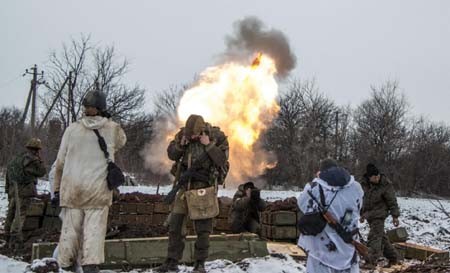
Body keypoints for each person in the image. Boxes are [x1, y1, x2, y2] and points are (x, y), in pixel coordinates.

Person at [51, 90, 126, 273]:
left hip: (72, 189)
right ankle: (90, 266)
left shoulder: (72, 129)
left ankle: (66, 265)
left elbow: (59, 163)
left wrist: (56, 190)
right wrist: (108, 120)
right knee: (94, 232)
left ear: (85, 107)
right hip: (97, 191)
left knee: (70, 231)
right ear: (102, 107)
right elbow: (122, 141)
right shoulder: (112, 128)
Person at [155, 114, 229, 273]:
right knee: (175, 225)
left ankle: (200, 263)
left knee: (203, 229)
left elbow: (222, 161)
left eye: (194, 135)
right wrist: (180, 146)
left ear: (202, 130)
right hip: (184, 187)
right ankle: (172, 261)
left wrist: (208, 146)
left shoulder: (217, 136)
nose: (192, 137)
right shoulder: (183, 135)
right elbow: (172, 154)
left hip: (204, 188)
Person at [297, 159, 364, 273]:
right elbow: (358, 207)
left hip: (321, 247)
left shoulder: (314, 187)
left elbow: (302, 205)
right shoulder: (356, 186)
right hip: (348, 244)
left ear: (321, 172)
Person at [4, 138, 47, 249]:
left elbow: (8, 175)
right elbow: (42, 172)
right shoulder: (32, 160)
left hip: (13, 190)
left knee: (11, 214)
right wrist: (40, 160)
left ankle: (6, 236)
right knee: (20, 215)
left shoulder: (16, 158)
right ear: (37, 150)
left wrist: (8, 190)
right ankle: (15, 241)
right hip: (24, 192)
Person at [360, 163, 400, 268]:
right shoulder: (364, 184)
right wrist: (362, 214)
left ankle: (371, 261)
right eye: (374, 177)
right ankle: (394, 258)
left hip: (380, 214)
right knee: (381, 237)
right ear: (369, 177)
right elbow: (363, 200)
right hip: (369, 215)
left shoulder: (385, 184)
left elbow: (392, 201)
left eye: (378, 176)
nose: (377, 178)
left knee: (374, 237)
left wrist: (395, 216)